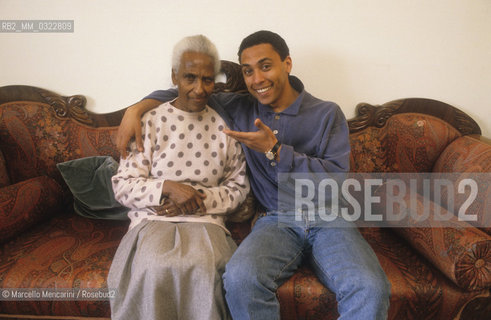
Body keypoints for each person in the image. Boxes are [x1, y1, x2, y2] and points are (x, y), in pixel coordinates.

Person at [116, 30, 391, 320]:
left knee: (370, 287)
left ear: (287, 64)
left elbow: (334, 183)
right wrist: (135, 110)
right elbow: (186, 92)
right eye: (248, 71)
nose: (257, 79)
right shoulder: (240, 107)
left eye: (265, 66)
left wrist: (275, 150)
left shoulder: (326, 114)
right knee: (239, 279)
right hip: (275, 219)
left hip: (328, 217)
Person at [107, 34, 249, 320]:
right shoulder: (149, 121)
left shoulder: (225, 126)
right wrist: (168, 188)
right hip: (153, 219)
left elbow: (238, 187)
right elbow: (123, 185)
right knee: (153, 264)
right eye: (190, 77)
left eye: (207, 80)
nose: (199, 88)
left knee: (204, 267)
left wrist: (197, 199)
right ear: (174, 77)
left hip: (207, 221)